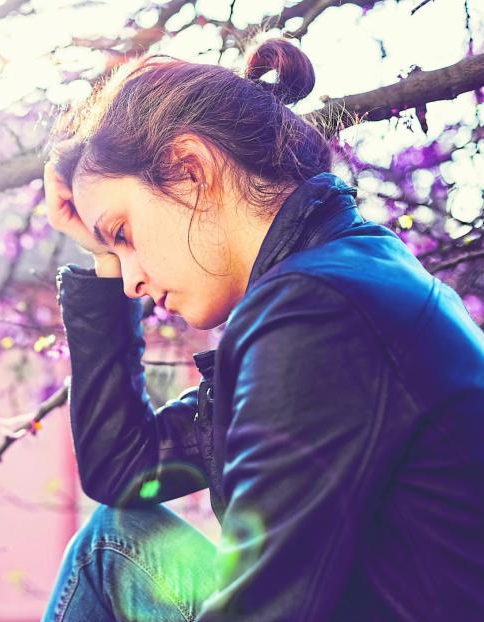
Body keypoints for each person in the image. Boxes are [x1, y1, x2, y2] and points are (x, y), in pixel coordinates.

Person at [40, 37, 484, 622]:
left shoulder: (317, 312)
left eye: (122, 233)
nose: (130, 282)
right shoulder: (337, 276)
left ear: (188, 169)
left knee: (107, 549)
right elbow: (126, 469)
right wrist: (97, 250)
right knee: (115, 543)